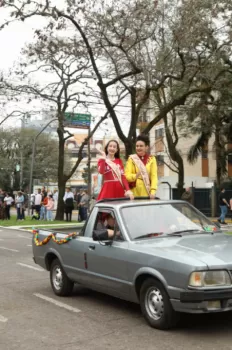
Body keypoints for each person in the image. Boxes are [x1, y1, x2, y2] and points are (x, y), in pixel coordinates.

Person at [125, 134, 158, 198]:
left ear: (146, 147)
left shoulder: (152, 159)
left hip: (147, 191)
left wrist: (153, 191)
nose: (138, 148)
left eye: (141, 146)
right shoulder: (131, 159)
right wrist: (135, 176)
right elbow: (126, 176)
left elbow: (154, 177)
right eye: (137, 146)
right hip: (134, 191)